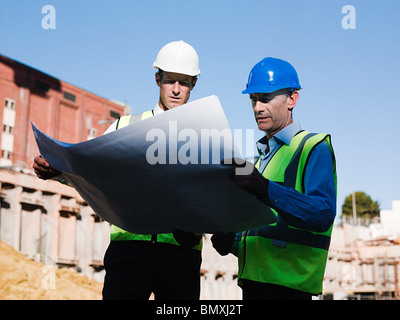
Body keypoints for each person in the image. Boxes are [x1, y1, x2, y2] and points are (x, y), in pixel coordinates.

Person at [33, 40, 203, 300]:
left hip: (181, 254)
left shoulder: (205, 139)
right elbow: (93, 171)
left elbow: (213, 198)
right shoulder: (124, 127)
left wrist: (199, 226)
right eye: (171, 81)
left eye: (185, 82)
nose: (177, 90)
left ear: (194, 84)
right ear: (157, 79)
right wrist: (57, 172)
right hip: (129, 251)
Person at [212, 57, 337, 300]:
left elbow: (322, 214)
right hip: (253, 285)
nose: (257, 107)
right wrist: (232, 243)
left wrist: (265, 189)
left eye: (265, 98)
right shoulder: (258, 163)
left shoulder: (314, 147)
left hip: (289, 289)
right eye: (253, 99)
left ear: (292, 99)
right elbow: (266, 234)